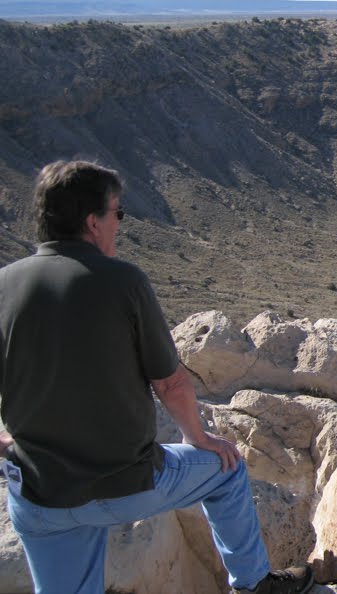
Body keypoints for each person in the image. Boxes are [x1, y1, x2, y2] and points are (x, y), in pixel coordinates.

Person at [0, 160, 314, 594]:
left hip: (40, 497)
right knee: (226, 469)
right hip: (124, 485)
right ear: (93, 222)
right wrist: (199, 438)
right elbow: (170, 383)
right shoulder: (122, 281)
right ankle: (254, 584)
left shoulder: (4, 285)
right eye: (117, 214)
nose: (119, 224)